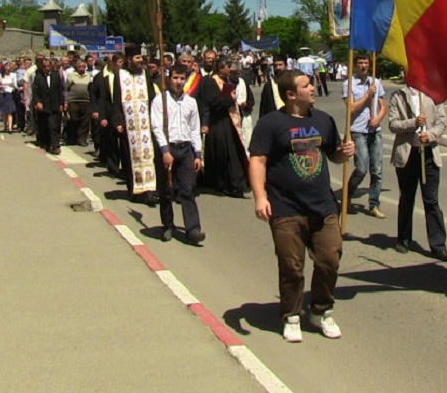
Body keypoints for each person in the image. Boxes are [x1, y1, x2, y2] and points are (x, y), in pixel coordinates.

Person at [250, 70, 355, 342]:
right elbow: (258, 161)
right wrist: (260, 197)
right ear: (291, 94)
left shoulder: (323, 120)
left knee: (330, 258)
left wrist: (343, 155)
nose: (313, 88)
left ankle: (321, 310)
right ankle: (292, 315)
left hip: (323, 206)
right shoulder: (271, 124)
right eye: (307, 85)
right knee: (291, 266)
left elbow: (332, 154)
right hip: (286, 208)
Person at [387, 84, 447, 261]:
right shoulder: (398, 96)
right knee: (407, 198)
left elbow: (441, 122)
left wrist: (430, 135)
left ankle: (438, 245)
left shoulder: (433, 93)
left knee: (431, 201)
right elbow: (393, 124)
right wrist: (413, 123)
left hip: (429, 154)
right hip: (407, 154)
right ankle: (404, 239)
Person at [151, 63, 205, 244]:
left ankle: (193, 229)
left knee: (188, 190)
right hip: (167, 148)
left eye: (182, 78)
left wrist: (197, 153)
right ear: (169, 78)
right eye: (175, 78)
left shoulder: (191, 102)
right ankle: (168, 225)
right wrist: (165, 151)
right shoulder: (160, 101)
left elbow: (195, 128)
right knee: (166, 190)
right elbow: (157, 127)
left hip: (186, 149)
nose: (178, 82)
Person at [196, 56, 249, 197]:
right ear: (220, 68)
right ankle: (221, 184)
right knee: (222, 153)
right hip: (217, 123)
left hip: (228, 121)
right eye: (228, 66)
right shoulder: (209, 81)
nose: (230, 69)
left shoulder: (227, 80)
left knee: (233, 152)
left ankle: (236, 184)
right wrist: (229, 99)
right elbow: (212, 103)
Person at [343, 54, 387, 218]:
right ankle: (348, 195)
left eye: (366, 63)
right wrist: (367, 95)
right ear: (355, 65)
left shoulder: (376, 82)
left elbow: (383, 106)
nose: (363, 65)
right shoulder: (348, 84)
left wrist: (378, 118)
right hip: (358, 130)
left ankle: (373, 204)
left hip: (374, 131)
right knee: (361, 169)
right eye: (360, 63)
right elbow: (351, 109)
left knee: (377, 170)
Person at [111, 47, 158, 199]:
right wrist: (118, 121)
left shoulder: (145, 74)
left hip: (145, 124)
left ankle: (150, 189)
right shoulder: (120, 75)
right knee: (130, 158)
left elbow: (152, 97)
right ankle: (135, 191)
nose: (140, 60)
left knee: (148, 155)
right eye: (137, 58)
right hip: (128, 124)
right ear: (129, 59)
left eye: (141, 58)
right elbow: (117, 100)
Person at [32, 57, 66, 155]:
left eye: (48, 66)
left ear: (51, 66)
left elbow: (60, 91)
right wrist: (38, 102)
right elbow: (35, 92)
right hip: (43, 106)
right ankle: (46, 143)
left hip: (55, 105)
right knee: (45, 125)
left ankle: (55, 145)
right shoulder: (38, 77)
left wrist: (61, 104)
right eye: (44, 66)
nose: (46, 68)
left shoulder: (56, 76)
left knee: (54, 126)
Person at [65, 58, 94, 146]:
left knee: (85, 122)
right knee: (74, 119)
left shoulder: (89, 75)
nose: (81, 68)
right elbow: (66, 88)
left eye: (83, 66)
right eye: (80, 67)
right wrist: (66, 101)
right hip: (73, 101)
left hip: (86, 101)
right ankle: (73, 138)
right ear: (76, 67)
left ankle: (82, 139)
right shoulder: (71, 76)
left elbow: (92, 88)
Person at [0, 61, 19, 133]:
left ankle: (10, 127)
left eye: (9, 65)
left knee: (10, 111)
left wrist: (18, 89)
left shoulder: (13, 75)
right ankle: (5, 126)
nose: (8, 67)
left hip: (9, 94)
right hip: (2, 94)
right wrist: (1, 86)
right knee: (4, 112)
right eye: (7, 65)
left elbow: (15, 85)